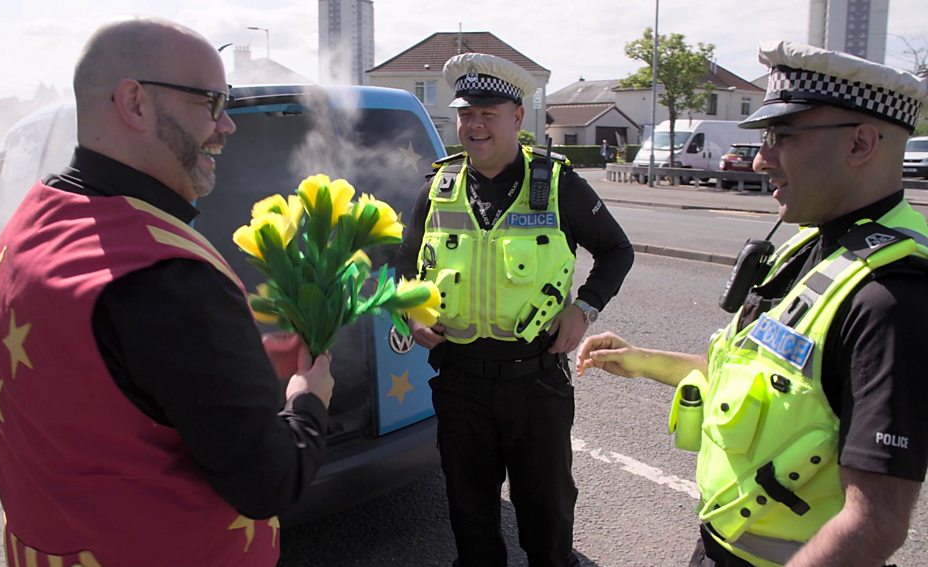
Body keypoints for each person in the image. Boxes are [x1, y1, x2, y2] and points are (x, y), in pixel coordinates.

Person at [0, 18, 334, 567]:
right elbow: (271, 482)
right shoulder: (168, 273)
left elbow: (104, 379)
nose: (227, 127)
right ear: (135, 102)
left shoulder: (32, 218)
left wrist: (237, 366)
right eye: (211, 103)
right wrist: (308, 399)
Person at [578, 40, 928, 567]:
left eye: (783, 136)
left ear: (860, 144)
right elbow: (764, 378)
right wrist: (641, 360)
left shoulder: (892, 296)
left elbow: (875, 522)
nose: (761, 159)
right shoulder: (811, 244)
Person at [396, 52, 634, 567]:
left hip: (536, 385)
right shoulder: (437, 189)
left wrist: (585, 309)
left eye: (488, 112)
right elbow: (404, 272)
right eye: (465, 114)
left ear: (517, 117)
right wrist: (411, 314)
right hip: (460, 384)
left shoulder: (557, 185)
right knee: (470, 516)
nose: (474, 124)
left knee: (547, 520)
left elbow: (618, 250)